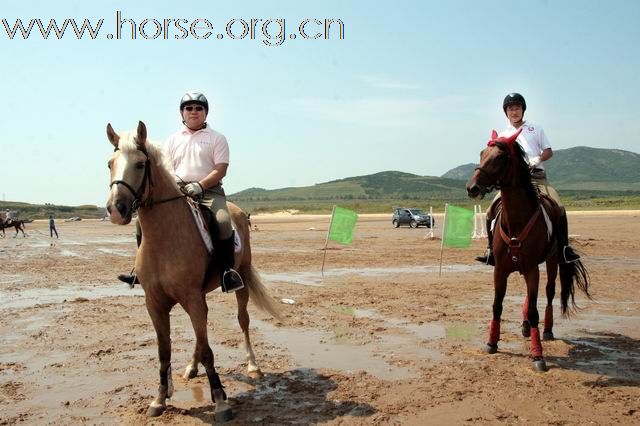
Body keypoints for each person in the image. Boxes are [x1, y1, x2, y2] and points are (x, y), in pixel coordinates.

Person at [118, 92, 244, 293]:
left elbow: (221, 169)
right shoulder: (173, 139)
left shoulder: (217, 138)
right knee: (141, 222)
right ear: (182, 113)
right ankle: (142, 270)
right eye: (189, 108)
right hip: (179, 191)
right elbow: (166, 168)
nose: (193, 112)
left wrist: (200, 185)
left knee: (222, 221)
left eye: (198, 108)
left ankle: (227, 272)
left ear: (205, 113)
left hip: (210, 192)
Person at [475, 92, 580, 266]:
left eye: (517, 108)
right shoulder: (503, 135)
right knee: (490, 211)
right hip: (513, 182)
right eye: (510, 109)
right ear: (506, 112)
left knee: (558, 206)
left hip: (537, 177)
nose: (514, 112)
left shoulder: (536, 128)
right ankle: (491, 251)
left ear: (523, 110)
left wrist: (537, 159)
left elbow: (548, 151)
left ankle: (564, 249)